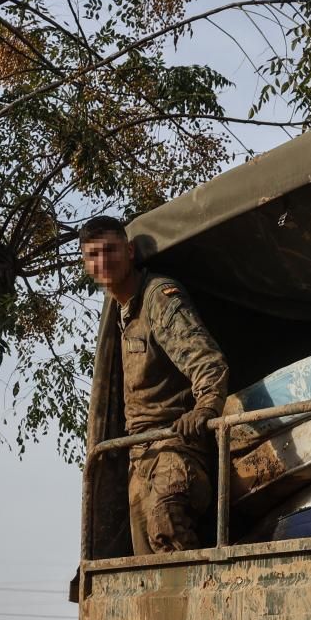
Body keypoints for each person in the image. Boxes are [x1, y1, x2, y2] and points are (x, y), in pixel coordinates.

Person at [79, 215, 229, 555]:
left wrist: (204, 408)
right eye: (93, 255)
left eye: (110, 250)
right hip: (140, 456)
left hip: (176, 447)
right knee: (147, 565)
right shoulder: (118, 315)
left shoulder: (157, 297)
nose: (103, 261)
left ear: (129, 251)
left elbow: (207, 360)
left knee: (167, 522)